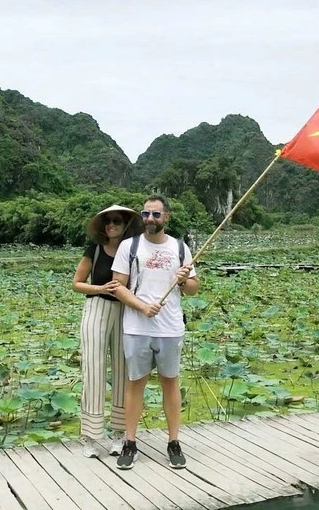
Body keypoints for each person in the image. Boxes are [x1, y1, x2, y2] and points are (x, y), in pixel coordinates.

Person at [111, 195, 199, 470]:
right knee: (135, 383)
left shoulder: (180, 249)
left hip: (170, 327)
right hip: (137, 327)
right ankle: (130, 442)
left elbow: (194, 288)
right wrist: (141, 306)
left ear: (166, 218)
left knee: (170, 382)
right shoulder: (130, 246)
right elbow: (118, 285)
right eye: (146, 214)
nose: (150, 219)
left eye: (156, 215)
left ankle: (174, 442)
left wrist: (185, 280)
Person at [72, 204, 144, 458]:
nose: (111, 225)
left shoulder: (132, 251)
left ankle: (119, 433)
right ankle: (90, 436)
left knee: (124, 371)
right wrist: (101, 289)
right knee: (93, 369)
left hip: (125, 312)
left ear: (125, 224)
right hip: (97, 309)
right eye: (107, 221)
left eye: (116, 221)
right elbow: (77, 284)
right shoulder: (95, 249)